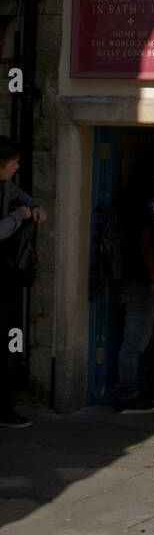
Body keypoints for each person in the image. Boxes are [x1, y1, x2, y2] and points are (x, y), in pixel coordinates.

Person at [112, 157, 154, 414]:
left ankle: (141, 389)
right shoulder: (145, 203)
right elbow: (146, 246)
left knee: (138, 340)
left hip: (125, 277)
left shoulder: (126, 198)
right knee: (134, 342)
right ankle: (128, 396)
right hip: (139, 281)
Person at [0, 136, 47, 428]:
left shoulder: (6, 186)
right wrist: (20, 216)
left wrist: (34, 205)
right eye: (14, 162)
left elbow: (21, 196)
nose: (17, 167)